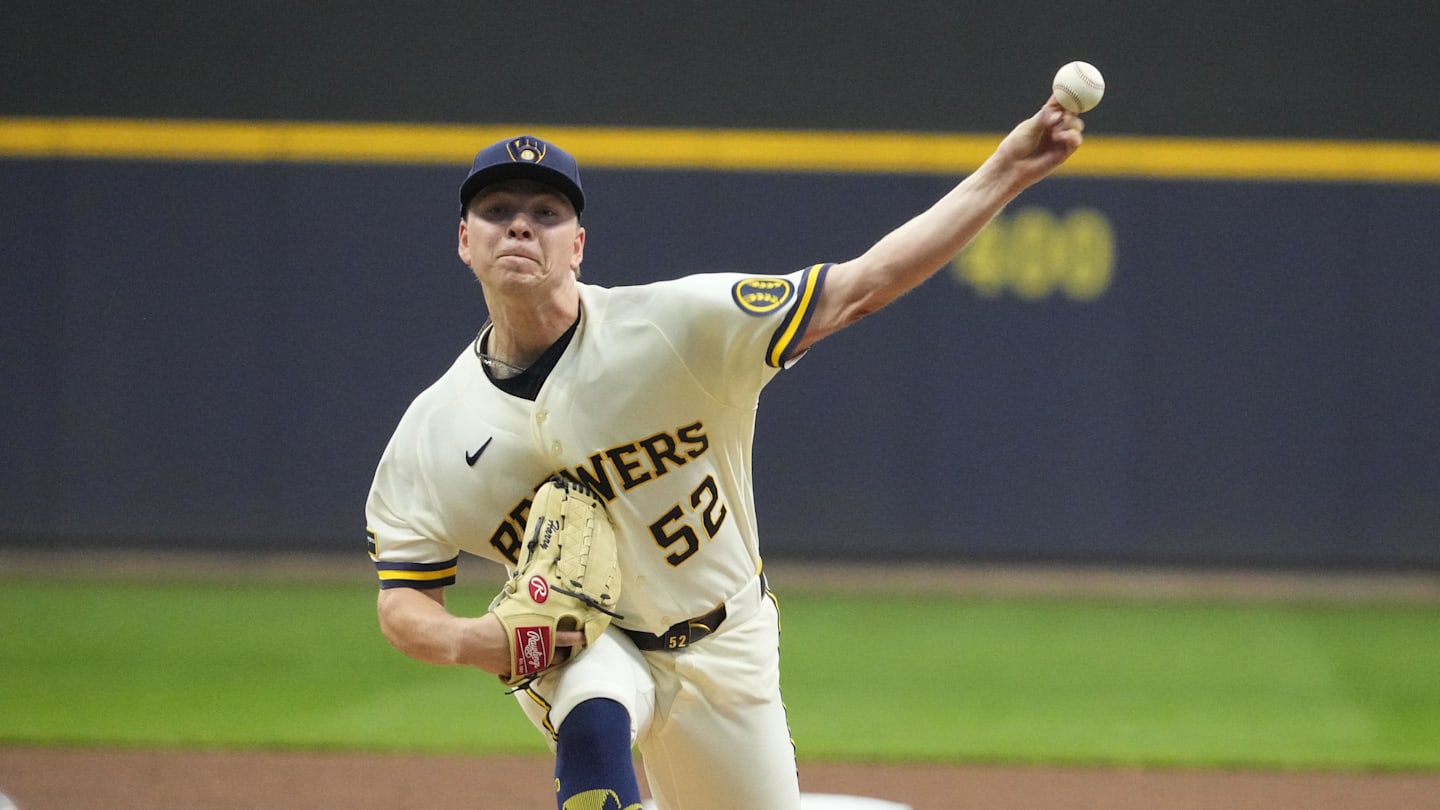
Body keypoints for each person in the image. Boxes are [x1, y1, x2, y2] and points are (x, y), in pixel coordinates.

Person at [366, 97, 1085, 810]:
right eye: (497, 210)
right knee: (593, 711)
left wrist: (1008, 170)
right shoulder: (432, 431)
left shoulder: (676, 327)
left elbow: (859, 287)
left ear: (578, 245)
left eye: (547, 213)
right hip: (584, 636)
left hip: (726, 640)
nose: (520, 223)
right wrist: (481, 642)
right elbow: (404, 599)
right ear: (465, 239)